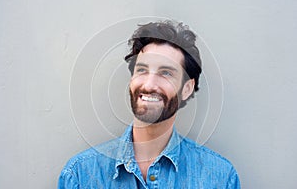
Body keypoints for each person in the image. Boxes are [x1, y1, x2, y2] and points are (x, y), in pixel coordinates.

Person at [58, 20, 241, 188]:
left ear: (186, 88)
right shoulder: (80, 176)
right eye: (142, 70)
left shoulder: (220, 178)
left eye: (166, 73)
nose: (149, 84)